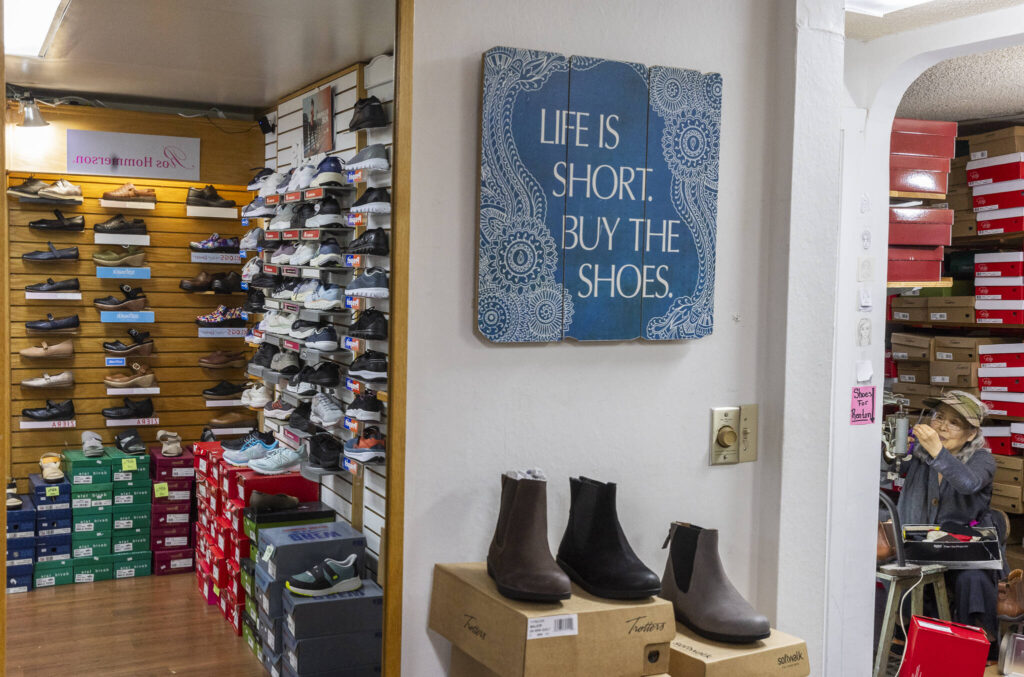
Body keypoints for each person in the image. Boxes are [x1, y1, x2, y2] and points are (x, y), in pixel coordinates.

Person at [897, 390, 999, 637]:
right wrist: (894, 445)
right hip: (920, 549)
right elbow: (886, 468)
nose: (942, 427)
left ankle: (975, 645)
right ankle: (913, 638)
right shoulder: (919, 454)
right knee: (904, 573)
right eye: (939, 417)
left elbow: (968, 483)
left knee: (972, 580)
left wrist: (937, 451)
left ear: (971, 434)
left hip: (965, 553)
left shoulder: (982, 460)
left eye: (954, 423)